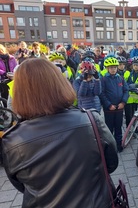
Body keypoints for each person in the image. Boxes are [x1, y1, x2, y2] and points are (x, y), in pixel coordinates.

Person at [1, 58, 118, 208]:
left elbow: (21, 185)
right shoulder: (91, 119)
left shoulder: (12, 140)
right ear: (60, 84)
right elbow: (111, 163)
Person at [100, 57, 129, 152]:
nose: (113, 69)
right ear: (107, 68)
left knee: (118, 127)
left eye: (115, 67)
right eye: (111, 67)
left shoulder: (120, 78)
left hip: (119, 108)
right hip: (109, 109)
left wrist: (123, 102)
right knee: (109, 128)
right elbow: (102, 93)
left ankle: (119, 144)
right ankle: (110, 146)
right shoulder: (103, 79)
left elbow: (126, 90)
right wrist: (108, 105)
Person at [125, 56, 138, 127]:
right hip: (130, 98)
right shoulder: (130, 73)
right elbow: (127, 82)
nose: (135, 67)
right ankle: (131, 127)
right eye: (134, 65)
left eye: (137, 65)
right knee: (130, 115)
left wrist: (134, 86)